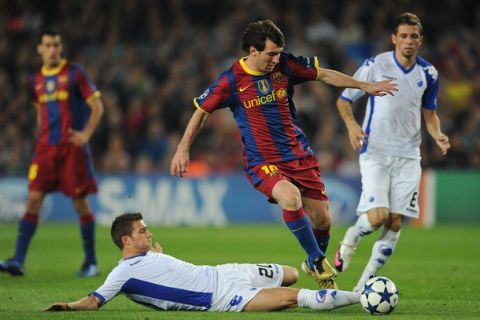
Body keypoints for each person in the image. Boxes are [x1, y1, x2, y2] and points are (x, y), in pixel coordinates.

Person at [170, 19, 397, 289]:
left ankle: (316, 261)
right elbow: (201, 112)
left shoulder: (286, 65)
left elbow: (323, 74)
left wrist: (364, 86)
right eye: (271, 54)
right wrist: (183, 148)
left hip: (299, 155)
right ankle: (316, 261)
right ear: (253, 50)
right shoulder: (231, 80)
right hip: (262, 161)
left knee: (323, 219)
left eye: (279, 53)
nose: (276, 59)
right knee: (290, 198)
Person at [334, 12, 450, 291]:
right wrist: (351, 126)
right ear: (394, 38)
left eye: (414, 36)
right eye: (404, 36)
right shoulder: (376, 65)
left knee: (395, 222)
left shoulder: (428, 73)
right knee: (376, 218)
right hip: (375, 151)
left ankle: (362, 287)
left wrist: (437, 135)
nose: (409, 41)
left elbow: (430, 114)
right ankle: (350, 238)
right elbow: (344, 100)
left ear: (420, 40)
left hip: (409, 156)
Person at [44, 212, 360, 313]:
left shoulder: (149, 254)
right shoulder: (122, 274)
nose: (149, 232)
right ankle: (363, 297)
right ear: (125, 240)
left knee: (291, 274)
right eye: (142, 231)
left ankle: (308, 270)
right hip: (222, 297)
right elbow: (95, 300)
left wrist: (157, 255)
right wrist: (69, 307)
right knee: (294, 298)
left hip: (226, 271)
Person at [0, 28, 104, 277]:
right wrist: (39, 139)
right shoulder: (35, 79)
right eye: (48, 45)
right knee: (33, 200)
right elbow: (40, 113)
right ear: (39, 49)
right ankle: (18, 261)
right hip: (45, 150)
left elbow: (97, 106)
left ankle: (91, 262)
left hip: (71, 149)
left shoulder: (74, 72)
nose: (53, 49)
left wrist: (86, 135)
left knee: (79, 203)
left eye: (56, 44)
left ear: (61, 47)